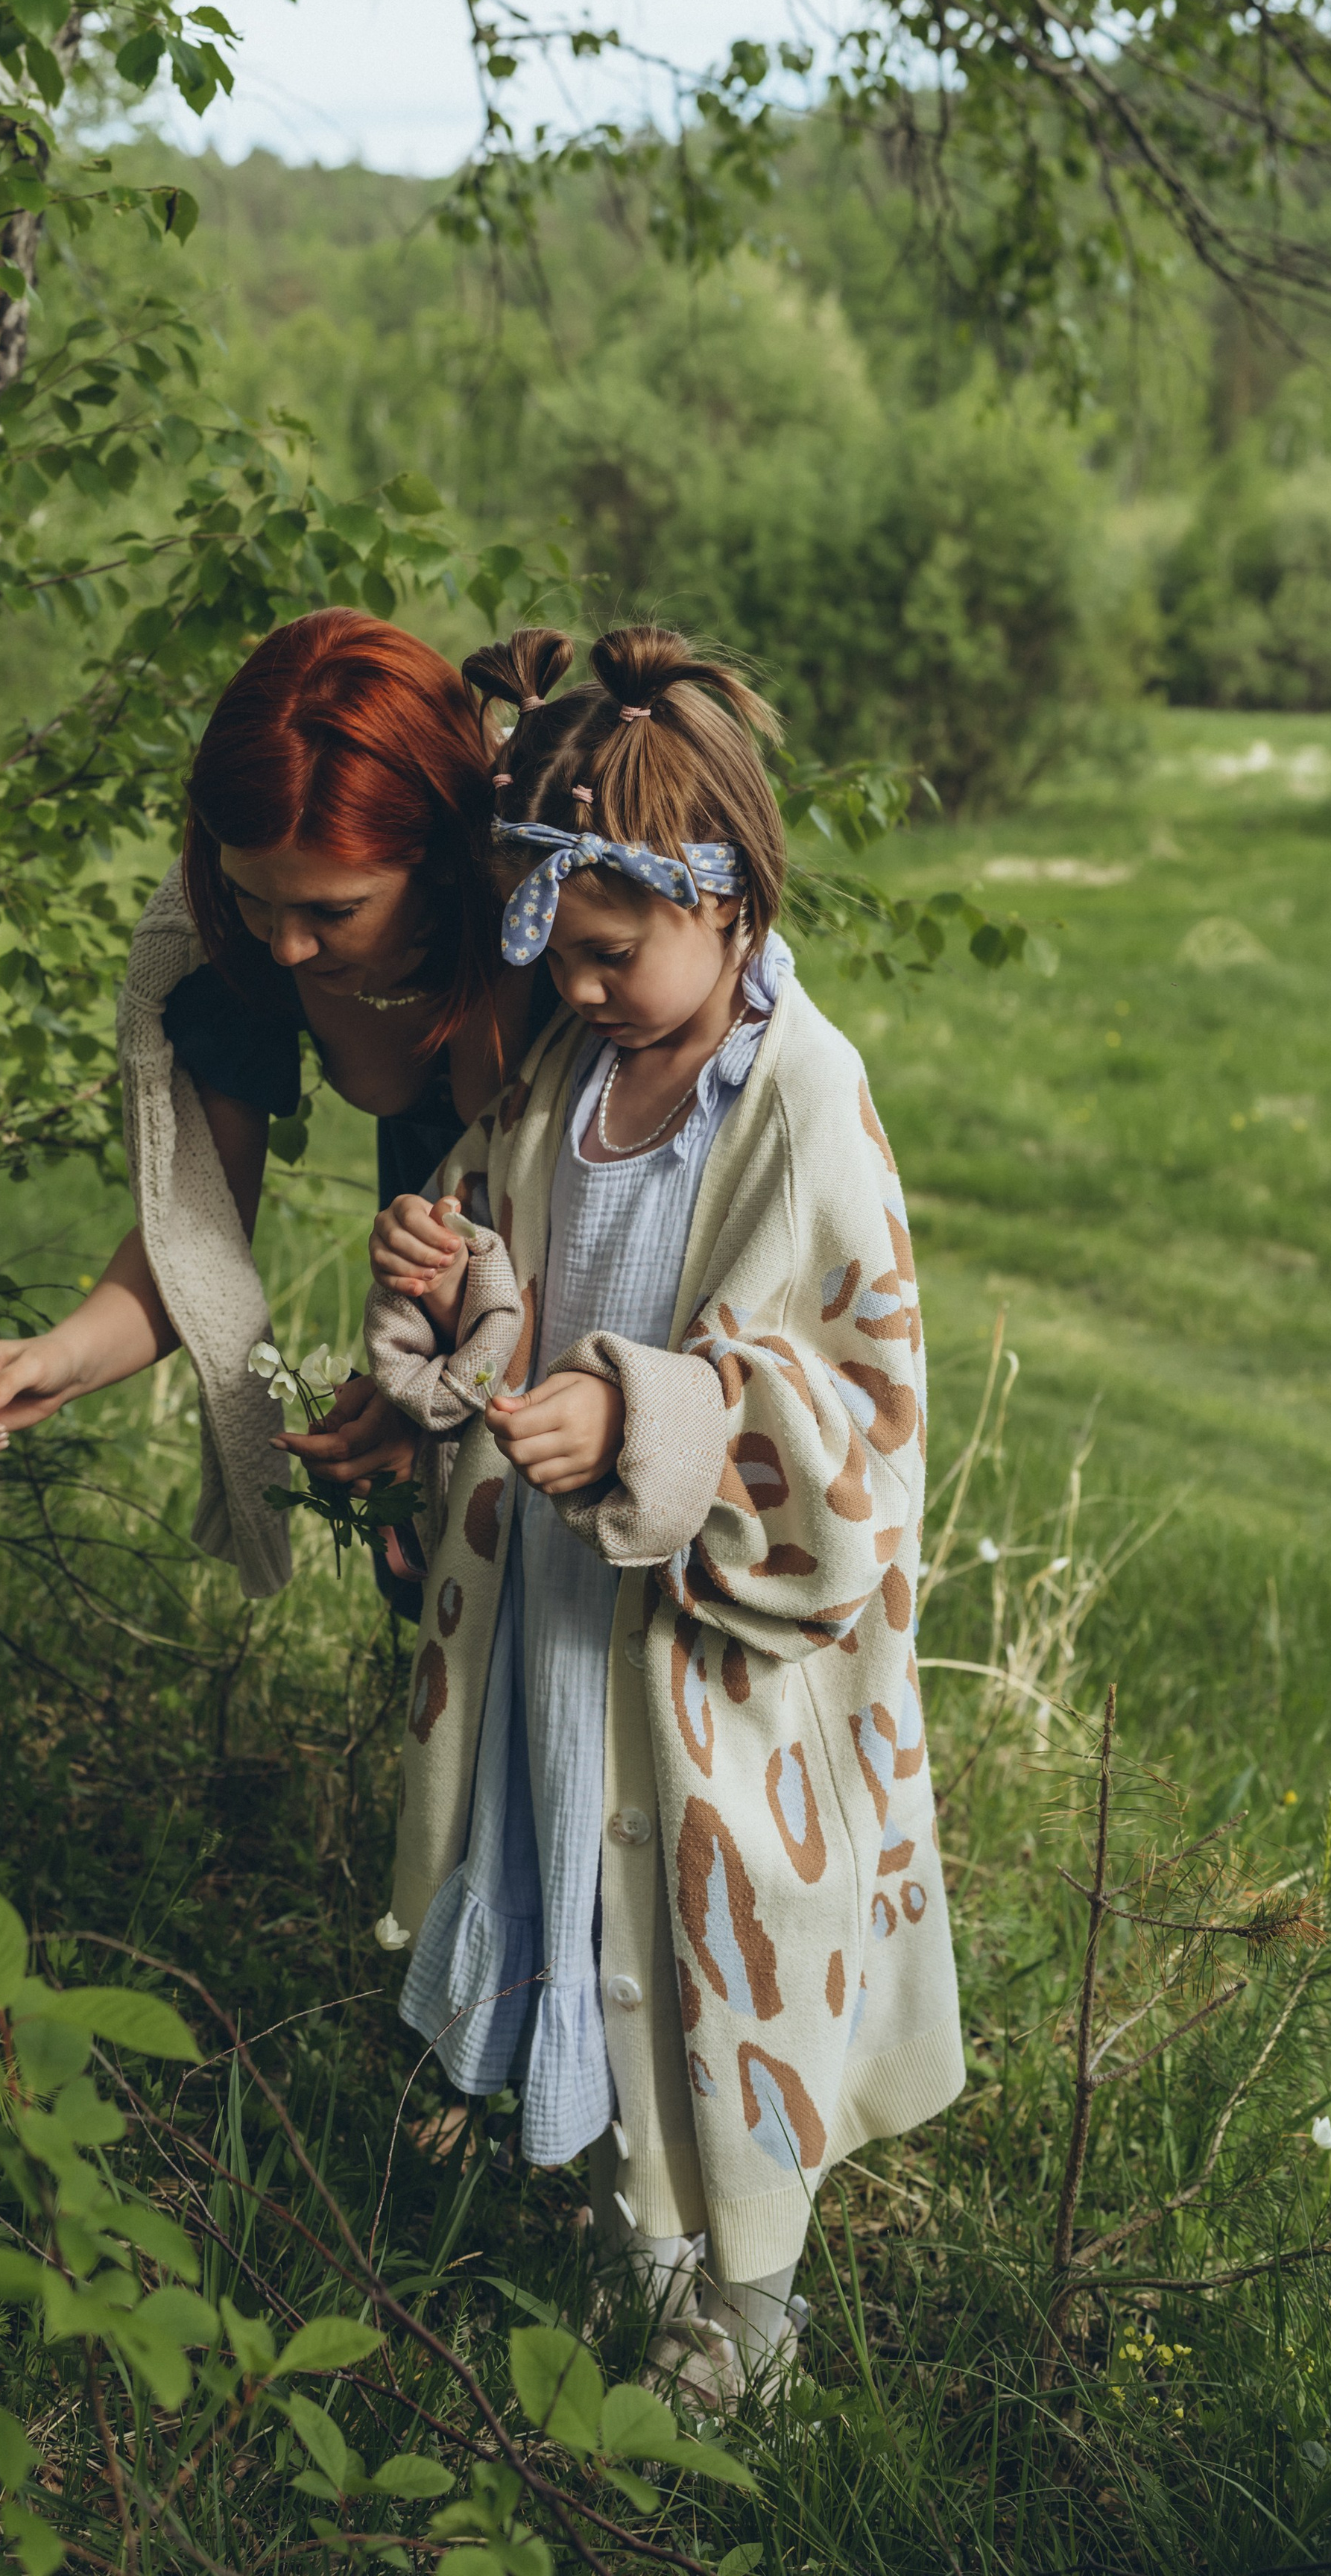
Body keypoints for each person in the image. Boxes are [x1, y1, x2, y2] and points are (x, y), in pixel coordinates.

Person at [362, 625, 965, 2406]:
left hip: (710, 1651)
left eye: (617, 953)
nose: (587, 988)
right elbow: (513, 1268)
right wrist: (454, 1270)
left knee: (720, 1977)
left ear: (728, 897)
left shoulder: (798, 1103)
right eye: (560, 954)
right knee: (582, 1903)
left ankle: (744, 2336)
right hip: (564, 1614)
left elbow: (857, 1404)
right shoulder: (566, 1070)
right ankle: (631, 2258)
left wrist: (642, 1411)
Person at [0, 607, 541, 1602]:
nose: (286, 947)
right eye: (254, 897)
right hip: (437, 1296)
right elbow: (197, 1241)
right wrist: (54, 1361)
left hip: (601, 1315)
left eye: (332, 911)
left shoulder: (569, 919)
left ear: (444, 854)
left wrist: (452, 1383)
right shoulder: (217, 949)